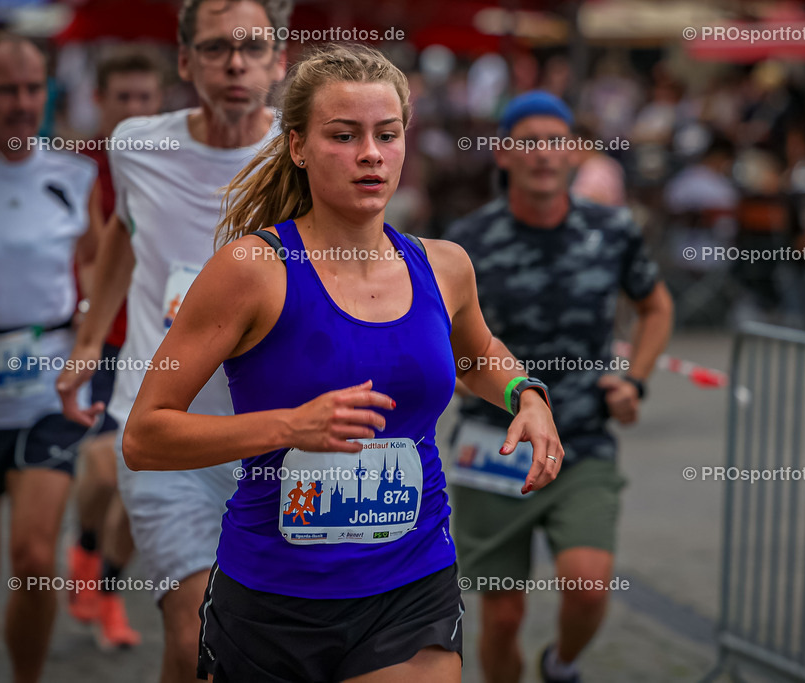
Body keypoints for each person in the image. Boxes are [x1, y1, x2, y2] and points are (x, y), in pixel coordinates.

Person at [117, 42, 563, 683]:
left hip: (411, 586)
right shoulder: (253, 270)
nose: (370, 154)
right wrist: (289, 428)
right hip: (272, 599)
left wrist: (527, 394)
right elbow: (144, 435)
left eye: (387, 134)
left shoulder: (444, 266)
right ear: (297, 145)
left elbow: (477, 355)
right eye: (343, 136)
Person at [56, 1, 289, 680]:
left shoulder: (302, 151)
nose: (236, 64)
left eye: (252, 48)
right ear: (186, 62)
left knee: (263, 643)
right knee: (194, 642)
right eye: (216, 49)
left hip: (273, 433)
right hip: (160, 428)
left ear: (279, 60)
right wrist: (89, 340)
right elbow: (125, 235)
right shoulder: (137, 145)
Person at [445, 91, 674, 683]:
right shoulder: (466, 242)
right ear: (503, 152)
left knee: (590, 586)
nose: (543, 154)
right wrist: (466, 378)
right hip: (495, 447)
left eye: (556, 141)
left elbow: (655, 308)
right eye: (528, 141)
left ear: (574, 153)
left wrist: (635, 382)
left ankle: (561, 665)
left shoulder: (612, 229)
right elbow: (446, 337)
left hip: (581, 439)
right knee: (500, 616)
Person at [0, 32, 98, 683]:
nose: (22, 103)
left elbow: (102, 270)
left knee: (31, 556)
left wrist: (88, 345)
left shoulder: (73, 175)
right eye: (6, 90)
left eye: (33, 88)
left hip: (44, 396)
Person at [67, 46, 165, 649]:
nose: (134, 110)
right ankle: (83, 547)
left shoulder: (174, 168)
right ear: (99, 102)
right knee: (106, 468)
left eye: (144, 99)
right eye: (122, 98)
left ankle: (106, 590)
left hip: (163, 345)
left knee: (137, 472)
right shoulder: (80, 171)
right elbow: (78, 260)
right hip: (102, 343)